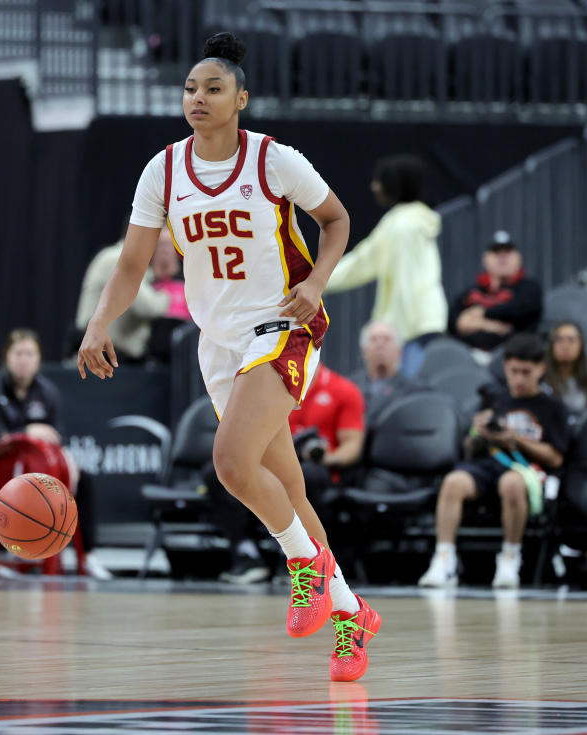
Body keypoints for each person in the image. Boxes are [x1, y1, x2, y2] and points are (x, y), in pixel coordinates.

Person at [77, 32, 379, 682]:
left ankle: (307, 567)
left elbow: (337, 220)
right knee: (287, 488)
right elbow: (133, 262)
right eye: (190, 87)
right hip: (218, 341)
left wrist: (318, 282)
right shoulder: (162, 170)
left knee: (231, 463)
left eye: (213, 88)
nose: (198, 97)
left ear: (241, 98)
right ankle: (351, 612)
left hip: (284, 324)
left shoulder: (274, 160)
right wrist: (100, 321)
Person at [419, 333, 569, 589]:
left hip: (526, 469)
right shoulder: (494, 398)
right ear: (505, 367)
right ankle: (444, 558)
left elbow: (555, 458)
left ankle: (510, 557)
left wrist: (517, 440)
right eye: (514, 371)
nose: (519, 379)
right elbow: (468, 449)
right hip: (488, 463)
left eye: (526, 372)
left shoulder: (553, 407)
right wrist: (478, 433)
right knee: (453, 482)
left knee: (511, 484)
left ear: (541, 369)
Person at [0, 328, 112, 579]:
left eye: (30, 354)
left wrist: (67, 462)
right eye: (18, 353)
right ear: (7, 356)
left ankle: (87, 555)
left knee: (84, 479)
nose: (24, 359)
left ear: (38, 359)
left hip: (40, 470)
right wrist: (26, 431)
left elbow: (57, 437)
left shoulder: (48, 392)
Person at [214, 363, 365, 585]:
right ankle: (247, 554)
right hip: (275, 458)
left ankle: (299, 564)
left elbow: (352, 444)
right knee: (223, 473)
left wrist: (329, 458)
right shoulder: (266, 383)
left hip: (319, 465)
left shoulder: (343, 389)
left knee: (306, 477)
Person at [324, 155, 447, 377]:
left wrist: (393, 334)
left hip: (412, 331)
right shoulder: (404, 221)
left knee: (404, 396)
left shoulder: (403, 227)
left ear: (394, 185)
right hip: (421, 325)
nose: (374, 186)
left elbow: (402, 282)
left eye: (379, 181)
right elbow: (361, 263)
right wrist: (314, 280)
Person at [74, 232, 171, 363]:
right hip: (99, 359)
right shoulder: (117, 258)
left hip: (116, 358)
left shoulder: (137, 263)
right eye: (160, 245)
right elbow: (149, 307)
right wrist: (169, 292)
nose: (163, 252)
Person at [448, 230, 543, 352]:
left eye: (508, 251)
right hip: (468, 356)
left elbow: (516, 311)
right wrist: (492, 325)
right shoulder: (472, 291)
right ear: (485, 259)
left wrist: (480, 315)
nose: (502, 257)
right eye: (496, 251)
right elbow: (454, 322)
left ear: (518, 258)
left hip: (513, 356)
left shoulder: (529, 287)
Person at [352, 320, 424, 425]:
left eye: (387, 339)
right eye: (374, 339)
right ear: (364, 350)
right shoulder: (350, 388)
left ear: (399, 350)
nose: (380, 345)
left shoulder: (416, 392)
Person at [544, 321, 587, 418]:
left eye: (571, 340)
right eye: (559, 339)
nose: (565, 345)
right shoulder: (540, 381)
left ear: (581, 345)